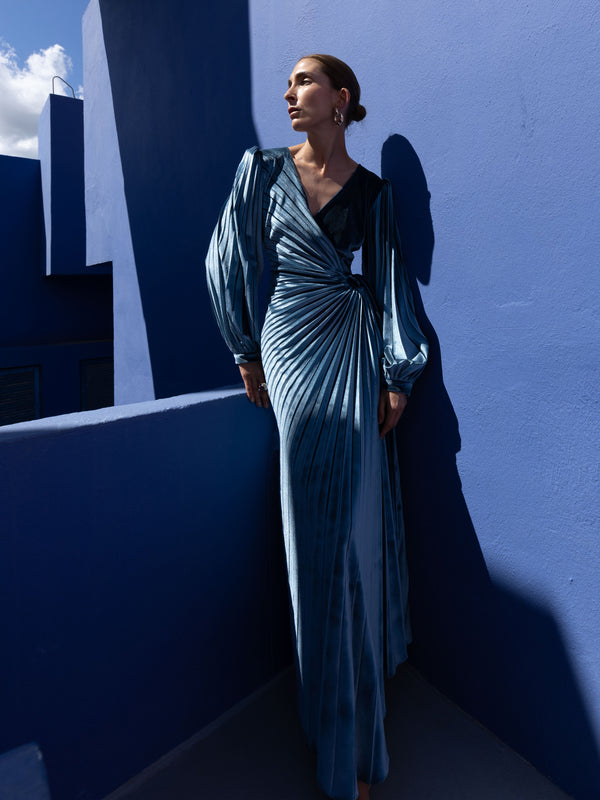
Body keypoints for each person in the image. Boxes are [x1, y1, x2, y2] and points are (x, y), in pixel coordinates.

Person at [206, 54, 428, 800]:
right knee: (315, 534)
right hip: (291, 345)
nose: (289, 93)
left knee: (353, 534)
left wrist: (398, 372)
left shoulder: (375, 191)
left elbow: (391, 281)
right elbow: (227, 259)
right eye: (289, 82)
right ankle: (334, 722)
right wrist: (245, 351)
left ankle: (355, 726)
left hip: (353, 346)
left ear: (341, 97)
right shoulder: (262, 170)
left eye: (304, 80)